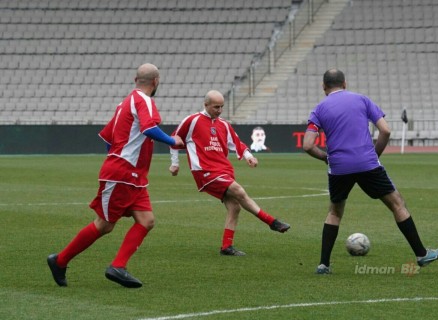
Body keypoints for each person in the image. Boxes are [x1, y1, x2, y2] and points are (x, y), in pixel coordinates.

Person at [47, 63, 184, 288]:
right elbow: (148, 128)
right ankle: (60, 261)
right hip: (123, 173)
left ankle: (118, 266)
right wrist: (172, 141)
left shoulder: (124, 104)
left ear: (134, 79)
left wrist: (116, 161)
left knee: (146, 221)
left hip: (131, 175)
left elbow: (108, 138)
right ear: (156, 82)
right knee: (104, 224)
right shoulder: (145, 101)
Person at [302, 69, 438, 274]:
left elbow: (308, 145)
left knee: (334, 212)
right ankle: (422, 254)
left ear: (324, 87)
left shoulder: (319, 109)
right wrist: (374, 154)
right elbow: (385, 130)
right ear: (344, 83)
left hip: (339, 167)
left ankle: (324, 264)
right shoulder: (362, 100)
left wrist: (326, 158)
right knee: (397, 203)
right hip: (367, 163)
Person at [169, 90, 290, 256]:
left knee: (234, 207)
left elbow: (237, 143)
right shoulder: (192, 120)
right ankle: (271, 221)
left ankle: (226, 247)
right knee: (239, 191)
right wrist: (174, 164)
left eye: (221, 107)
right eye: (216, 107)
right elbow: (174, 139)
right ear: (206, 105)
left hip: (223, 169)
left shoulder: (224, 124)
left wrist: (249, 156)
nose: (219, 110)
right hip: (204, 171)